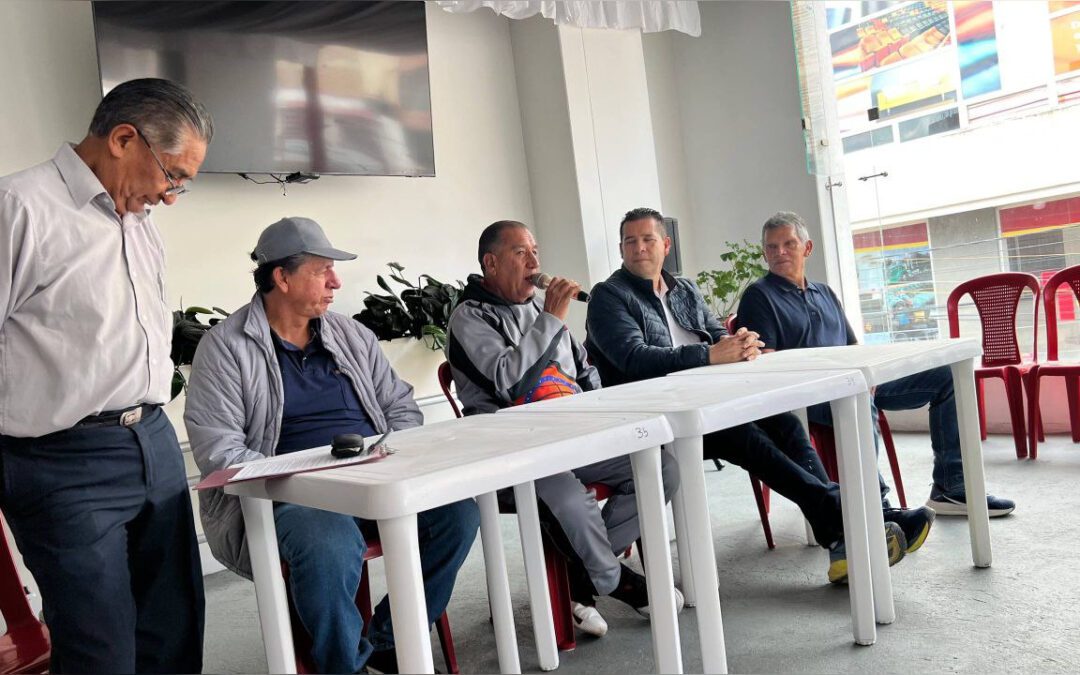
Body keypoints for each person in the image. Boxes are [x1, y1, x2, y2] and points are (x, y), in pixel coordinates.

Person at [185, 217, 479, 673]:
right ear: (281, 277)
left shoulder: (350, 334)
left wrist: (392, 456)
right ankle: (345, 665)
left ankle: (388, 639)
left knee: (456, 511)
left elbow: (400, 405)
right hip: (288, 494)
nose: (336, 281)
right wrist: (305, 479)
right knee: (327, 538)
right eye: (322, 270)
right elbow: (219, 450)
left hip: (374, 475)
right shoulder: (225, 348)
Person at [586, 207, 933, 584]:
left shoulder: (682, 289)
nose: (639, 248)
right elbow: (633, 359)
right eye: (630, 241)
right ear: (621, 248)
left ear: (665, 245)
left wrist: (740, 343)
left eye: (648, 239)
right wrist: (708, 355)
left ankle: (839, 532)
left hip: (710, 401)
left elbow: (716, 331)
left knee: (786, 425)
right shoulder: (609, 296)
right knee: (746, 438)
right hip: (659, 418)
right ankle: (861, 518)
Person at [0, 78, 211, 673]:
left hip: (152, 442)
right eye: (173, 176)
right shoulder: (19, 208)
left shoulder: (139, 224)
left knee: (174, 630)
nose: (171, 196)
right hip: (60, 462)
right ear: (124, 139)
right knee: (103, 651)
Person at [445, 220, 682, 637]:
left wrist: (606, 420)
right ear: (491, 263)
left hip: (573, 433)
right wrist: (552, 318)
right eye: (521, 253)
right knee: (568, 499)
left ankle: (580, 577)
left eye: (535, 250)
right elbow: (510, 380)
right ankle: (617, 581)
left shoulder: (539, 309)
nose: (535, 262)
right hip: (514, 450)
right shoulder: (469, 317)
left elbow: (584, 372)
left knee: (659, 467)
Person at [736, 211, 1016, 518]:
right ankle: (877, 508)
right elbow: (767, 365)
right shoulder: (759, 296)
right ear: (764, 253)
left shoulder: (825, 293)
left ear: (807, 248)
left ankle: (951, 488)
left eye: (788, 243)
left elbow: (853, 347)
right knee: (857, 400)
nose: (780, 252)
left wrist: (866, 376)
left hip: (852, 383)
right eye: (772, 247)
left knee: (946, 377)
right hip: (805, 396)